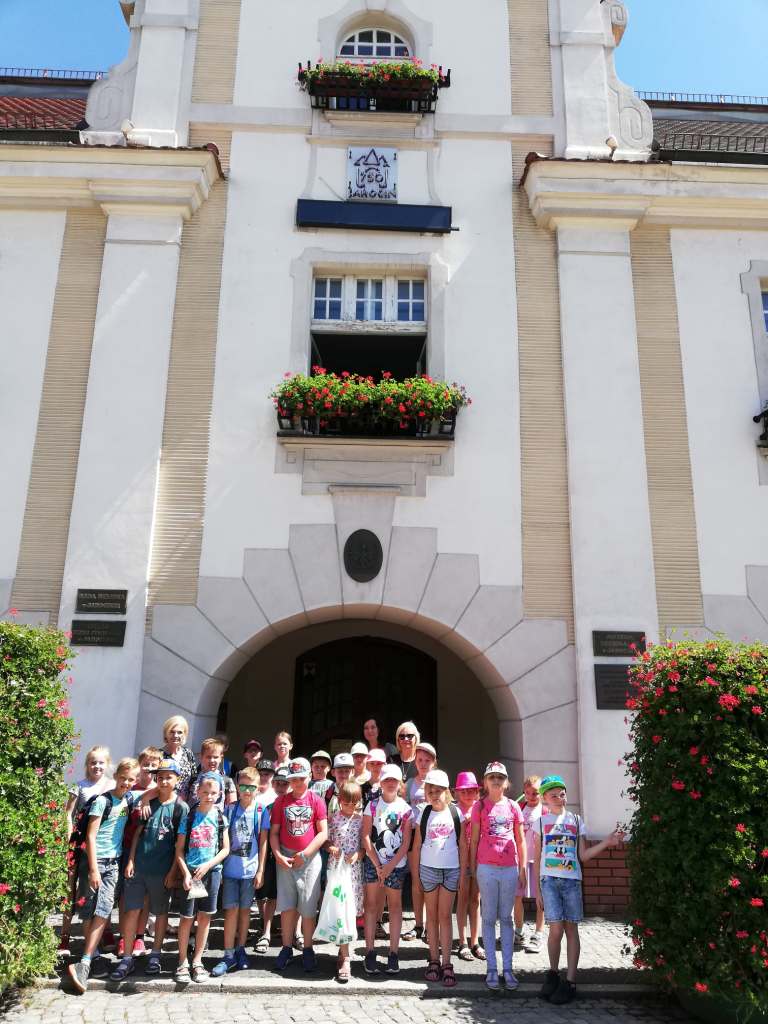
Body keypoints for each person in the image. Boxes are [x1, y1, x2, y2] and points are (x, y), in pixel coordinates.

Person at [534, 774, 624, 1005]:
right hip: (549, 883)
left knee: (571, 929)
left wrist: (607, 842)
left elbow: (583, 855)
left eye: (561, 792)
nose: (558, 797)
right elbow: (537, 858)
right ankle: (552, 974)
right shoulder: (540, 823)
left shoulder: (575, 820)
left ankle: (570, 981)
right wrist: (537, 891)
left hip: (572, 882)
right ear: (544, 798)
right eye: (552, 794)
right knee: (555, 930)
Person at [66, 758, 142, 994]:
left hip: (114, 864)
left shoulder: (129, 799)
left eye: (131, 780)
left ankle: (86, 960)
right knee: (89, 910)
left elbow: (149, 794)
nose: (126, 783)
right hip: (95, 862)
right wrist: (93, 869)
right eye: (123, 778)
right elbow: (90, 836)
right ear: (116, 776)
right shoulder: (102, 801)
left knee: (104, 909)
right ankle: (90, 955)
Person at [109, 757, 189, 980]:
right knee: (131, 910)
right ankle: (127, 958)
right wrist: (132, 860)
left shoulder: (181, 808)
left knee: (161, 912)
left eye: (168, 777)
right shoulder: (149, 803)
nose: (164, 781)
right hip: (140, 866)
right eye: (160, 777)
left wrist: (173, 872)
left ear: (177, 780)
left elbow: (179, 846)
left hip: (162, 871)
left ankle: (155, 954)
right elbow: (137, 834)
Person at [470, 761, 527, 992]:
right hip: (486, 867)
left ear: (506, 782)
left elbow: (521, 839)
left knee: (507, 918)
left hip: (509, 868)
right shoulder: (479, 806)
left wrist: (522, 868)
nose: (495, 780)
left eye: (500, 777)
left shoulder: (513, 806)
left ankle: (508, 968)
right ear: (485, 782)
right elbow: (473, 839)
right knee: (488, 918)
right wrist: (474, 868)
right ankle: (491, 968)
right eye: (491, 777)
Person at [269, 757, 328, 972]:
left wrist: (306, 854)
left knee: (308, 906)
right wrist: (277, 855)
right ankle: (286, 947)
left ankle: (309, 948)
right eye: (293, 779)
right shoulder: (281, 802)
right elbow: (274, 833)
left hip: (309, 860)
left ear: (309, 777)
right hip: (285, 858)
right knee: (287, 906)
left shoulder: (316, 800)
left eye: (301, 778)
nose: (297, 783)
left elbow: (323, 833)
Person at [173, 772, 230, 983]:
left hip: (211, 873)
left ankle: (197, 960)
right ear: (197, 792)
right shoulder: (189, 817)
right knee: (187, 918)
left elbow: (225, 849)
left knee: (205, 917)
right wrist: (186, 873)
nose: (209, 796)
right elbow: (179, 850)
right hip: (191, 874)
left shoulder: (220, 818)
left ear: (219, 794)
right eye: (205, 792)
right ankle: (182, 961)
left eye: (213, 793)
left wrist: (208, 865)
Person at [211, 767, 268, 976]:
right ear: (237, 785)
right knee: (231, 911)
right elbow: (221, 840)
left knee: (245, 912)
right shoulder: (229, 809)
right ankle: (228, 954)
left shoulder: (261, 811)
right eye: (243, 786)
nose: (246, 790)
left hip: (250, 870)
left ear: (257, 788)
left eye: (251, 787)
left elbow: (263, 843)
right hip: (230, 871)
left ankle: (240, 948)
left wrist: (261, 869)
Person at [60, 746, 114, 955]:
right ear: (87, 765)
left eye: (101, 762)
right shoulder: (80, 786)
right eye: (93, 762)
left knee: (104, 890)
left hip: (104, 845)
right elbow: (68, 813)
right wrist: (68, 838)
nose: (97, 766)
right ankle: (65, 935)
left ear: (107, 764)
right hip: (80, 843)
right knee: (71, 889)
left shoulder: (111, 785)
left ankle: (105, 931)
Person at [414, 769, 464, 989]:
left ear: (448, 792)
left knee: (445, 917)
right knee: (431, 918)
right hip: (428, 869)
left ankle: (447, 962)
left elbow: (463, 844)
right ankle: (433, 959)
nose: (434, 795)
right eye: (430, 790)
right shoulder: (423, 814)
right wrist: (415, 875)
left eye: (439, 791)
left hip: (451, 869)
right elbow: (416, 846)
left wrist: (463, 872)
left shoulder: (456, 813)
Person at [361, 764, 412, 975]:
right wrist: (378, 864)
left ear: (399, 783)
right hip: (374, 863)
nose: (390, 783)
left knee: (395, 908)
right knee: (371, 906)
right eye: (387, 780)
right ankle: (370, 951)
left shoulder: (405, 809)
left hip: (396, 865)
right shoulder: (371, 806)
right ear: (381, 783)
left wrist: (389, 866)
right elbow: (365, 836)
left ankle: (393, 953)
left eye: (394, 780)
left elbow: (406, 841)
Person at [116, 746, 162, 957]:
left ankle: (139, 937)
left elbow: (168, 790)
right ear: (139, 764)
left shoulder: (159, 790)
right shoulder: (129, 787)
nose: (149, 769)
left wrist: (147, 797)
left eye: (154, 766)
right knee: (126, 897)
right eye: (146, 765)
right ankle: (124, 937)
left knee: (144, 899)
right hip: (127, 847)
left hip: (148, 850)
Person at [324, 780, 364, 983]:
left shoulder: (361, 820)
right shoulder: (333, 819)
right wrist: (331, 847)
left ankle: (345, 952)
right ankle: (345, 956)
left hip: (353, 872)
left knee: (350, 912)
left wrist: (358, 854)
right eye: (346, 803)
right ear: (339, 801)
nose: (350, 807)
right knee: (340, 910)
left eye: (354, 803)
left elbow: (364, 845)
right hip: (336, 870)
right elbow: (325, 840)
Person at [403, 740, 437, 942]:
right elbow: (406, 812)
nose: (423, 763)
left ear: (434, 762)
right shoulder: (409, 784)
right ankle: (418, 924)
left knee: (432, 880)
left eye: (427, 760)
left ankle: (432, 924)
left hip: (435, 836)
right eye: (420, 760)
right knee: (417, 881)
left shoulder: (438, 782)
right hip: (415, 835)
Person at [454, 771, 484, 962]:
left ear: (477, 792)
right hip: (459, 861)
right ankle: (462, 942)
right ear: (457, 793)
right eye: (464, 791)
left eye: (471, 791)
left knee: (476, 900)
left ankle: (475, 941)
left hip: (480, 859)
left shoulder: (480, 809)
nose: (468, 795)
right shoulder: (453, 810)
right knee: (462, 899)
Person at [515, 774, 545, 953]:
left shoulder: (545, 811)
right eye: (527, 793)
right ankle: (519, 930)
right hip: (521, 860)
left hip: (539, 860)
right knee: (516, 895)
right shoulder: (519, 808)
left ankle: (539, 932)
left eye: (535, 793)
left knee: (539, 896)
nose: (531, 797)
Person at [253, 759, 278, 953]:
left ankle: (267, 926)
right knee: (258, 890)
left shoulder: (275, 795)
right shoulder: (250, 793)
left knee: (271, 890)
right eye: (261, 773)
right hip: (252, 847)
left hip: (271, 848)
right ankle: (262, 918)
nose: (264, 776)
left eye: (268, 774)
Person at [188, 738, 237, 809]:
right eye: (208, 757)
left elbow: (232, 808)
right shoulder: (193, 778)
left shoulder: (227, 781)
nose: (212, 760)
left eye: (216, 757)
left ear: (221, 758)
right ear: (201, 757)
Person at [161, 715, 197, 803]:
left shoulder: (188, 753)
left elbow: (194, 779)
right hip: (163, 802)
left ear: (185, 734)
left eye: (180, 732)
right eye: (172, 732)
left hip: (184, 804)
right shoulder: (159, 755)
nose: (175, 735)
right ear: (166, 734)